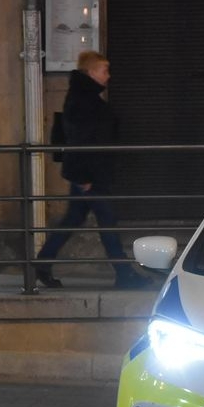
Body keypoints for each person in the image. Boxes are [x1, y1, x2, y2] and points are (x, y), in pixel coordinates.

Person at [36, 50, 151, 289]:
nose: (108, 75)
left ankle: (41, 263)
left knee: (73, 219)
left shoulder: (82, 97)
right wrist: (84, 177)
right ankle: (124, 273)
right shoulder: (84, 101)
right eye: (104, 70)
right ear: (91, 72)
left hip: (89, 173)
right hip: (92, 175)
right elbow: (81, 139)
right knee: (107, 221)